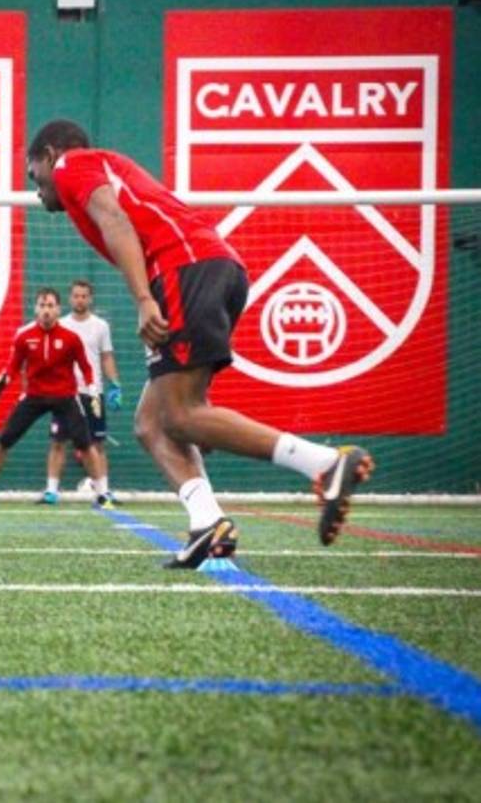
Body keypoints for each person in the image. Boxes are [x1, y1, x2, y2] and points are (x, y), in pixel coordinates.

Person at [26, 119, 374, 568]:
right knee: (153, 424)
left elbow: (113, 217)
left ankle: (323, 462)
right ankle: (208, 524)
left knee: (183, 415)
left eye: (33, 173)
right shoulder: (98, 169)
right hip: (211, 267)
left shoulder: (73, 164)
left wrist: (144, 298)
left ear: (51, 154)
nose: (35, 188)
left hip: (183, 268)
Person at [0, 287, 112, 509]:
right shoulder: (24, 336)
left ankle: (102, 495)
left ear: (58, 309)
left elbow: (87, 368)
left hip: (65, 397)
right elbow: (12, 367)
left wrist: (92, 392)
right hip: (34, 396)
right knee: (4, 440)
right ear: (36, 308)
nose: (46, 311)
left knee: (86, 443)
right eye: (42, 306)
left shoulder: (71, 338)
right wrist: (2, 384)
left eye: (51, 306)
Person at [38, 279, 123, 507]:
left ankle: (103, 492)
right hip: (64, 394)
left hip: (93, 394)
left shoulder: (101, 326)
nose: (80, 299)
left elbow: (106, 356)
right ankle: (51, 491)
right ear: (70, 298)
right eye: (76, 295)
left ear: (90, 298)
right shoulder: (60, 325)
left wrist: (115, 385)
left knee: (97, 444)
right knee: (58, 442)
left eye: (84, 296)